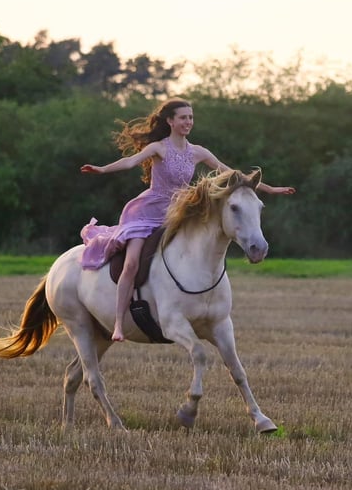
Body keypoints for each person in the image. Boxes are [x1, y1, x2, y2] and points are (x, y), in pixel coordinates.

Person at [79, 97, 295, 342]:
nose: (188, 122)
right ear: (170, 121)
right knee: (131, 264)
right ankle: (118, 323)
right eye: (183, 117)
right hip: (147, 212)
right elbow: (130, 162)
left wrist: (270, 189)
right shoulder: (159, 148)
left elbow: (233, 174)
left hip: (178, 213)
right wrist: (102, 169)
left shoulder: (197, 152)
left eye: (191, 117)